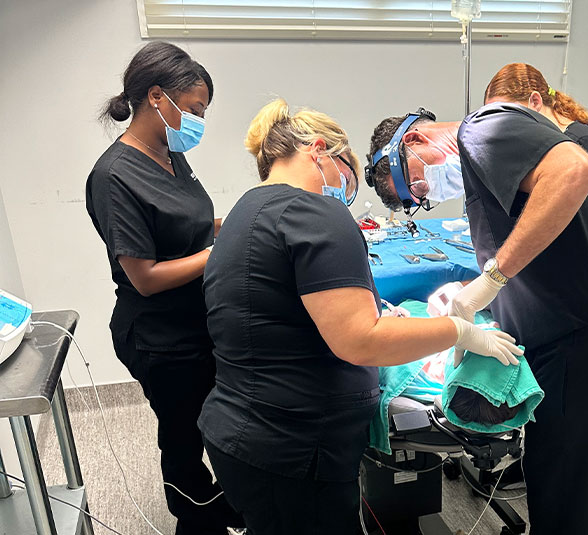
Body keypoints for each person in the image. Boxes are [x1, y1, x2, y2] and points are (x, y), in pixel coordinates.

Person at [198, 98, 523, 535]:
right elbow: (362, 341)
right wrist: (461, 331)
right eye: (347, 176)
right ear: (319, 151)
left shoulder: (245, 210)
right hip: (293, 450)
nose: (346, 195)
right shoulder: (315, 212)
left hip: (245, 436)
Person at [367, 101, 588, 534]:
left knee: (564, 512)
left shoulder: (482, 130)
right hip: (568, 349)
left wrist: (493, 276)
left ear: (414, 141)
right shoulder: (487, 162)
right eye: (419, 200)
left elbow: (577, 171)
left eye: (417, 186)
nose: (427, 196)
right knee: (572, 497)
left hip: (583, 349)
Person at [85, 42, 241, 535]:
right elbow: (145, 277)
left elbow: (189, 225)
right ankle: (194, 521)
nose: (198, 122)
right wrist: (220, 252)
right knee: (182, 435)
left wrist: (239, 223)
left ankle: (219, 504)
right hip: (158, 336)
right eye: (194, 110)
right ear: (156, 97)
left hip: (196, 323)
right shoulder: (113, 176)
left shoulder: (169, 157)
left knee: (210, 419)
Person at [484, 62, 588, 240]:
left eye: (507, 116)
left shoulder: (584, 142)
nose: (502, 127)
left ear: (535, 102)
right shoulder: (533, 143)